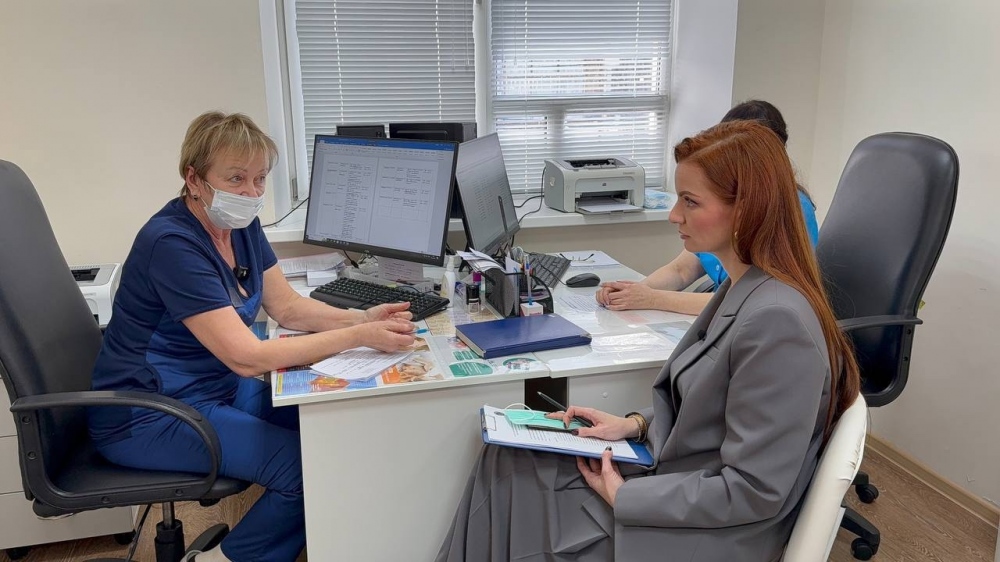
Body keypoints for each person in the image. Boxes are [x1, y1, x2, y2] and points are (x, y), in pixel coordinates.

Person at [436, 120, 860, 562]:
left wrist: (625, 497)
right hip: (679, 487)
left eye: (690, 201)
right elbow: (710, 412)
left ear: (746, 211)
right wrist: (635, 425)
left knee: (518, 484)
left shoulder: (778, 322)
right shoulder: (745, 287)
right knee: (505, 456)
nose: (675, 215)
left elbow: (753, 490)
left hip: (704, 534)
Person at [88, 111, 416, 562]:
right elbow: (245, 357)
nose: (251, 192)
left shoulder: (241, 225)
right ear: (194, 179)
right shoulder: (172, 244)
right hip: (149, 413)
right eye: (236, 178)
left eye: (260, 178)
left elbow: (288, 307)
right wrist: (359, 335)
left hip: (214, 390)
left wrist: (361, 316)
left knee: (331, 431)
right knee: (304, 469)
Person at [596, 99, 821, 315]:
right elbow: (681, 270)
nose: (675, 216)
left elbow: (745, 302)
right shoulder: (717, 218)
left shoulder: (787, 210)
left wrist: (652, 298)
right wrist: (633, 292)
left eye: (691, 201)